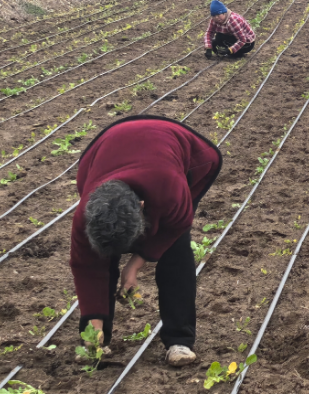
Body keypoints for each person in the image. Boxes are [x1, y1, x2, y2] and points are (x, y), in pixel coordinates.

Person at [70, 116, 223, 367]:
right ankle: (99, 340)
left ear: (142, 207)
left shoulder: (170, 191)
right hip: (102, 150)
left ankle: (179, 340)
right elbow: (86, 267)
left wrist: (136, 264)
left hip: (188, 153)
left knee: (175, 250)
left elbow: (177, 225)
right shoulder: (86, 213)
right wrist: (92, 329)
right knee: (101, 253)